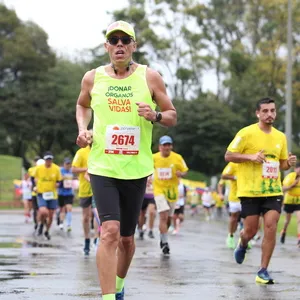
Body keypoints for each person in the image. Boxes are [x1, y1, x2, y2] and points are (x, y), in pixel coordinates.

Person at [75, 20, 176, 300]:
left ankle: (119, 284)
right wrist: (83, 130)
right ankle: (108, 296)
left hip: (136, 168)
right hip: (102, 166)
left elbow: (171, 115)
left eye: (125, 40)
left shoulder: (150, 77)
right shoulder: (92, 77)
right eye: (114, 40)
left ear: (134, 45)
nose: (119, 45)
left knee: (127, 240)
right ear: (107, 46)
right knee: (110, 231)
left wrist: (154, 115)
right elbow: (82, 105)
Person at [225, 97, 297, 284]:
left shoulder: (280, 137)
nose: (269, 114)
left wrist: (287, 163)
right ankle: (242, 243)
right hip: (249, 191)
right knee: (250, 230)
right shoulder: (246, 133)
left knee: (271, 227)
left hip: (273, 190)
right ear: (258, 113)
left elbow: (280, 164)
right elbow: (228, 155)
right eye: (265, 111)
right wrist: (251, 156)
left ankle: (263, 270)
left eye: (272, 110)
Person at [153, 135, 188, 254]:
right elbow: (146, 168)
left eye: (168, 145)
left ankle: (163, 236)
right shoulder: (154, 158)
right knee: (163, 215)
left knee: (168, 218)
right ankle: (165, 242)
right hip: (159, 190)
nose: (166, 147)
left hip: (172, 191)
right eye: (164, 145)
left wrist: (181, 174)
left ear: (171, 146)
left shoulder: (177, 158)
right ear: (160, 147)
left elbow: (185, 171)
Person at [72, 144, 93, 255]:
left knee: (98, 215)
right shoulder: (81, 152)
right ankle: (87, 240)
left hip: (99, 188)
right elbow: (74, 168)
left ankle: (98, 239)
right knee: (86, 217)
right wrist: (87, 169)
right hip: (85, 189)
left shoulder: (104, 149)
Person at [35, 151, 62, 240]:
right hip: (41, 193)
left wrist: (58, 184)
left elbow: (59, 180)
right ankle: (41, 224)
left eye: (50, 159)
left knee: (50, 215)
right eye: (47, 159)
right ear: (45, 160)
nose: (49, 161)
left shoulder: (56, 168)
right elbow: (34, 178)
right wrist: (35, 186)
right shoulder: (39, 168)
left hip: (52, 194)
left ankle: (46, 230)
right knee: (43, 212)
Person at [220, 162, 241, 249]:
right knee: (234, 218)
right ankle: (231, 236)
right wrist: (236, 177)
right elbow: (223, 176)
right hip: (235, 196)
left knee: (247, 218)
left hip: (248, 195)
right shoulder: (233, 163)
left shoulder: (252, 162)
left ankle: (244, 239)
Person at [280, 161, 300, 246]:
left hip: (298, 200)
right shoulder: (290, 177)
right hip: (289, 200)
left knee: (299, 220)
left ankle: (299, 238)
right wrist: (292, 185)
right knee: (287, 221)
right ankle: (283, 231)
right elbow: (283, 189)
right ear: (295, 169)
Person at [137, 175, 156, 239]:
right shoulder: (143, 171)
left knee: (152, 212)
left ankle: (150, 230)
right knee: (142, 214)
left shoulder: (156, 172)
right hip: (143, 195)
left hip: (152, 196)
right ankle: (140, 229)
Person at [57, 158, 74, 231]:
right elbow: (58, 180)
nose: (68, 165)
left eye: (69, 164)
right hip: (61, 193)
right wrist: (62, 179)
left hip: (69, 193)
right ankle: (61, 222)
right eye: (67, 164)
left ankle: (69, 225)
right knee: (62, 209)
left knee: (69, 208)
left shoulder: (71, 171)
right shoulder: (60, 171)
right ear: (64, 164)